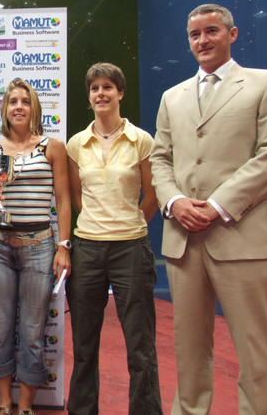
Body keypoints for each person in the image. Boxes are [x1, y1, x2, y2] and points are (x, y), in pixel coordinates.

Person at [150, 3, 267, 414]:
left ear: (232, 34)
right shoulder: (172, 97)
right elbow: (159, 159)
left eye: (211, 31)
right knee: (188, 352)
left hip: (242, 239)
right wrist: (174, 201)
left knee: (257, 351)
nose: (202, 40)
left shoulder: (266, 84)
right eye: (195, 34)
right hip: (184, 241)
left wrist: (218, 205)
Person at [66, 63, 162, 415]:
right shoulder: (76, 144)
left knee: (140, 346)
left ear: (120, 93)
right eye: (95, 88)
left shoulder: (142, 140)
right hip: (87, 249)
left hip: (131, 249)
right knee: (84, 346)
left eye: (108, 87)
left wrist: (129, 224)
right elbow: (77, 199)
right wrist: (98, 224)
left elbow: (152, 195)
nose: (101, 93)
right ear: (89, 96)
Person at [0, 78, 71, 415]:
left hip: (40, 248)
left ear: (34, 108)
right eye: (13, 101)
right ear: (4, 109)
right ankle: (4, 403)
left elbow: (64, 200)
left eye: (25, 101)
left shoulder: (52, 147)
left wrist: (63, 246)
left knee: (32, 331)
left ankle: (26, 406)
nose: (18, 107)